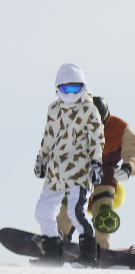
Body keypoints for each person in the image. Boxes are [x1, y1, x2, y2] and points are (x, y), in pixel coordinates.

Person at [33, 63, 105, 267]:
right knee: (43, 211)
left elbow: (96, 138)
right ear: (58, 88)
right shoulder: (53, 109)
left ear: (83, 87)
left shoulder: (88, 109)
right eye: (66, 89)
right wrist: (42, 159)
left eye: (75, 88)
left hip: (79, 167)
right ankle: (52, 252)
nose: (71, 93)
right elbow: (48, 136)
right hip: (56, 169)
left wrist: (96, 162)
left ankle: (89, 255)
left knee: (76, 211)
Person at [55, 94, 131, 251]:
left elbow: (132, 151)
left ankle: (100, 246)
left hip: (105, 178)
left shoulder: (119, 128)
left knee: (103, 208)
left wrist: (128, 167)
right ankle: (60, 237)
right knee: (70, 206)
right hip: (81, 177)